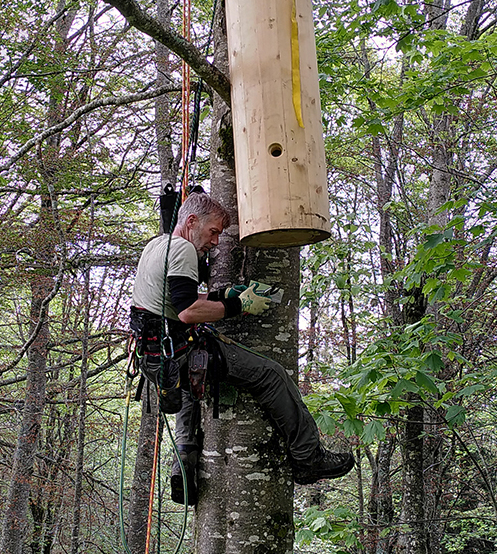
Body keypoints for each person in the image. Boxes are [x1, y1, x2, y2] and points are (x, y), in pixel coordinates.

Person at [130, 192, 354, 505]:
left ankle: (185, 459)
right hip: (181, 353)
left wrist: (227, 297)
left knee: (189, 397)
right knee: (271, 375)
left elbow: (175, 302)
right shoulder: (182, 249)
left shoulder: (159, 245)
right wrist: (236, 306)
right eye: (214, 232)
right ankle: (308, 458)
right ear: (191, 222)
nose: (216, 242)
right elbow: (188, 311)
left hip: (157, 357)